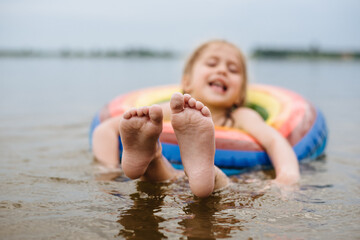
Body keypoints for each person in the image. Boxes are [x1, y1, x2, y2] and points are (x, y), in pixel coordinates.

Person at [92, 40, 300, 198]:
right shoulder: (172, 109)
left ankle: (200, 170)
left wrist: (286, 176)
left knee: (213, 178)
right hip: (173, 173)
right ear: (187, 82)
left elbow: (275, 141)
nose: (222, 70)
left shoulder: (241, 116)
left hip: (213, 177)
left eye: (233, 69)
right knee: (159, 169)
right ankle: (150, 154)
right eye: (212, 63)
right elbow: (106, 130)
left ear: (241, 96)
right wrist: (108, 167)